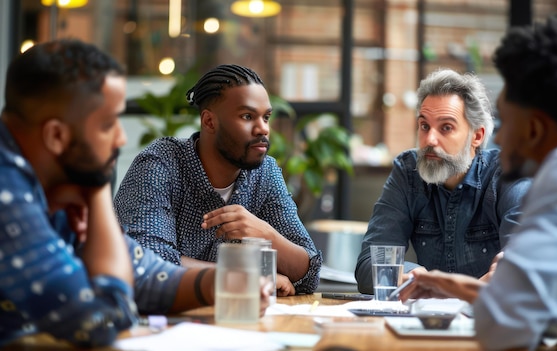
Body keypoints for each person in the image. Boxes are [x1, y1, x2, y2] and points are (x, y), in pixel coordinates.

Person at [0, 39, 270, 348]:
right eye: (107, 124)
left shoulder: (50, 183)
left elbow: (142, 276)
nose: (121, 138)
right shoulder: (6, 189)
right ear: (56, 135)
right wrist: (98, 188)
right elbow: (101, 319)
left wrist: (219, 283)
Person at [398, 14, 557, 351]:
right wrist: (451, 285)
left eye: (504, 120)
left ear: (534, 129)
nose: (498, 135)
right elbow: (529, 302)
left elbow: (504, 326)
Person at [114, 64, 322, 295]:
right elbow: (148, 263)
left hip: (236, 322)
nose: (263, 129)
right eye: (247, 116)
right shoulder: (160, 163)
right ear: (209, 121)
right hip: (157, 322)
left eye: (266, 117)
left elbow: (308, 275)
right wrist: (243, 278)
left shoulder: (264, 173)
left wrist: (267, 235)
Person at [355, 68, 531, 294]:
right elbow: (369, 265)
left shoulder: (509, 174)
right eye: (424, 125)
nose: (430, 139)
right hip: (423, 323)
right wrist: (417, 277)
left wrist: (440, 286)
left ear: (476, 136)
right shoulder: (408, 171)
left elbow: (522, 265)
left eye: (446, 127)